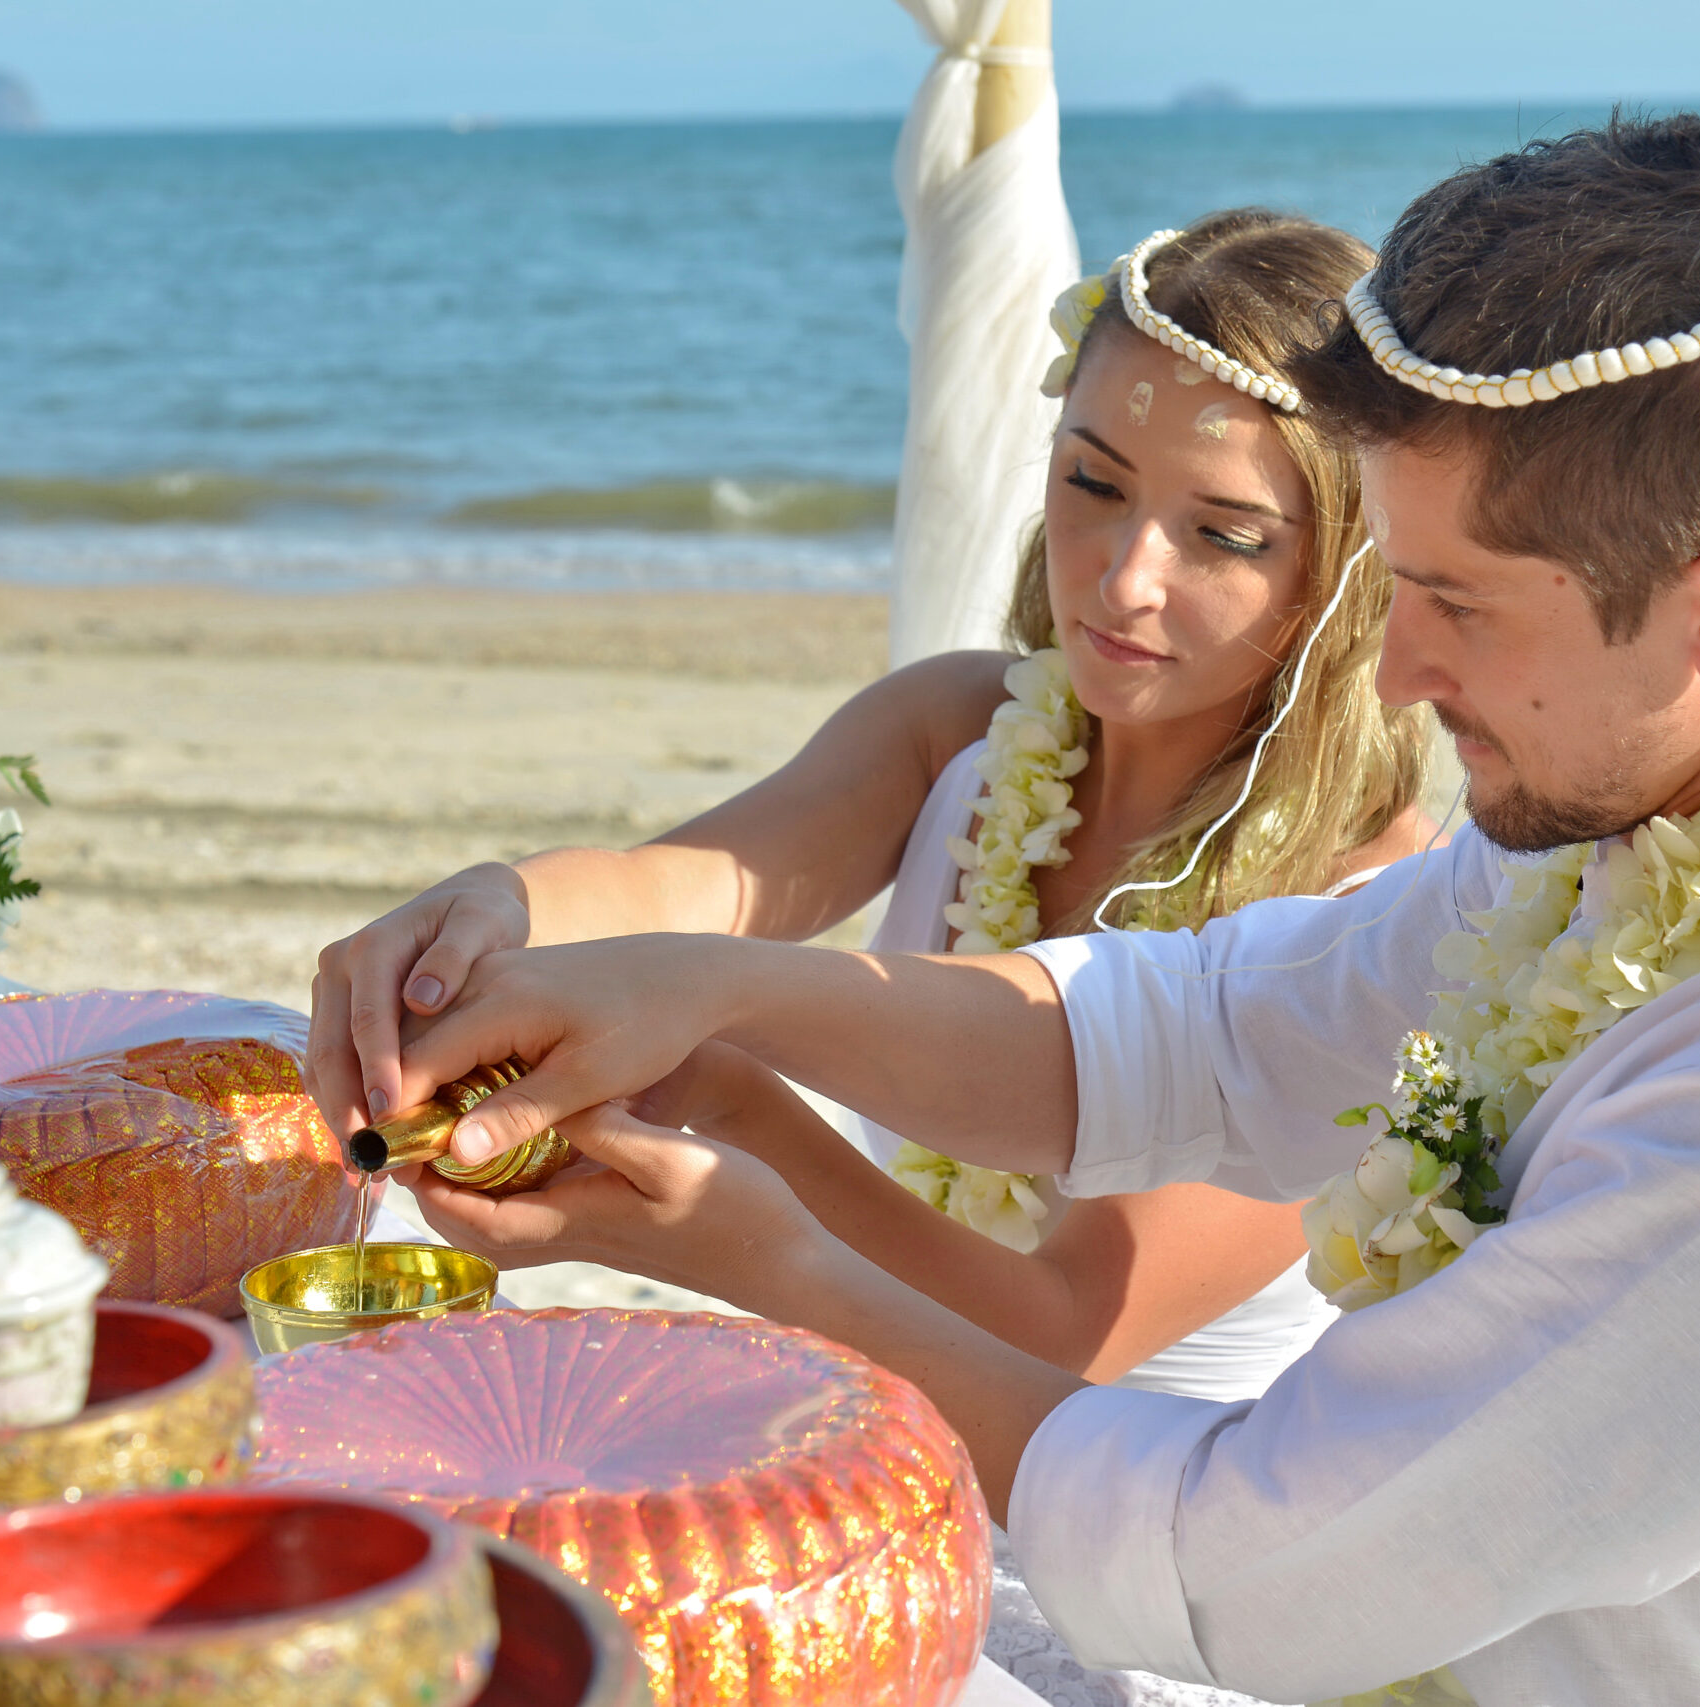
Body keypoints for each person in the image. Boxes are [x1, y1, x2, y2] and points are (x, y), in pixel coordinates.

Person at [382, 115, 1700, 1705]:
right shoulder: (1670, 801)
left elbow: (1242, 1569)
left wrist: (757, 1250)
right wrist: (698, 990)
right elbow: (1196, 1030)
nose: (1389, 661)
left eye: (1458, 601)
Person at [308, 210, 1440, 1404]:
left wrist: (745, 1117)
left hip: (1140, 1522)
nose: (1122, 576)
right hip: (878, 1434)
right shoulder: (961, 729)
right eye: (1092, 481)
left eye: (1223, 535)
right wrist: (494, 904)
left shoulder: (1364, 924)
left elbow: (1058, 1334)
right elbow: (696, 883)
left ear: (1356, 569)